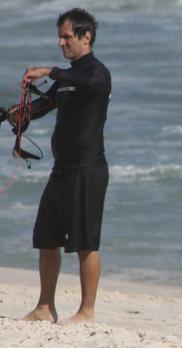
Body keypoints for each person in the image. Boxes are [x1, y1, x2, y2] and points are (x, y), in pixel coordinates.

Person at [11, 8, 111, 324]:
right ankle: (45, 307)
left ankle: (86, 311)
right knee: (46, 237)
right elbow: (42, 106)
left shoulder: (95, 73)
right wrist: (16, 115)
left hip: (88, 168)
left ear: (86, 37)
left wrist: (49, 71)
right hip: (62, 169)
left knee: (85, 242)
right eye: (59, 36)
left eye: (66, 36)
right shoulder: (67, 79)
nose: (61, 42)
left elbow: (77, 78)